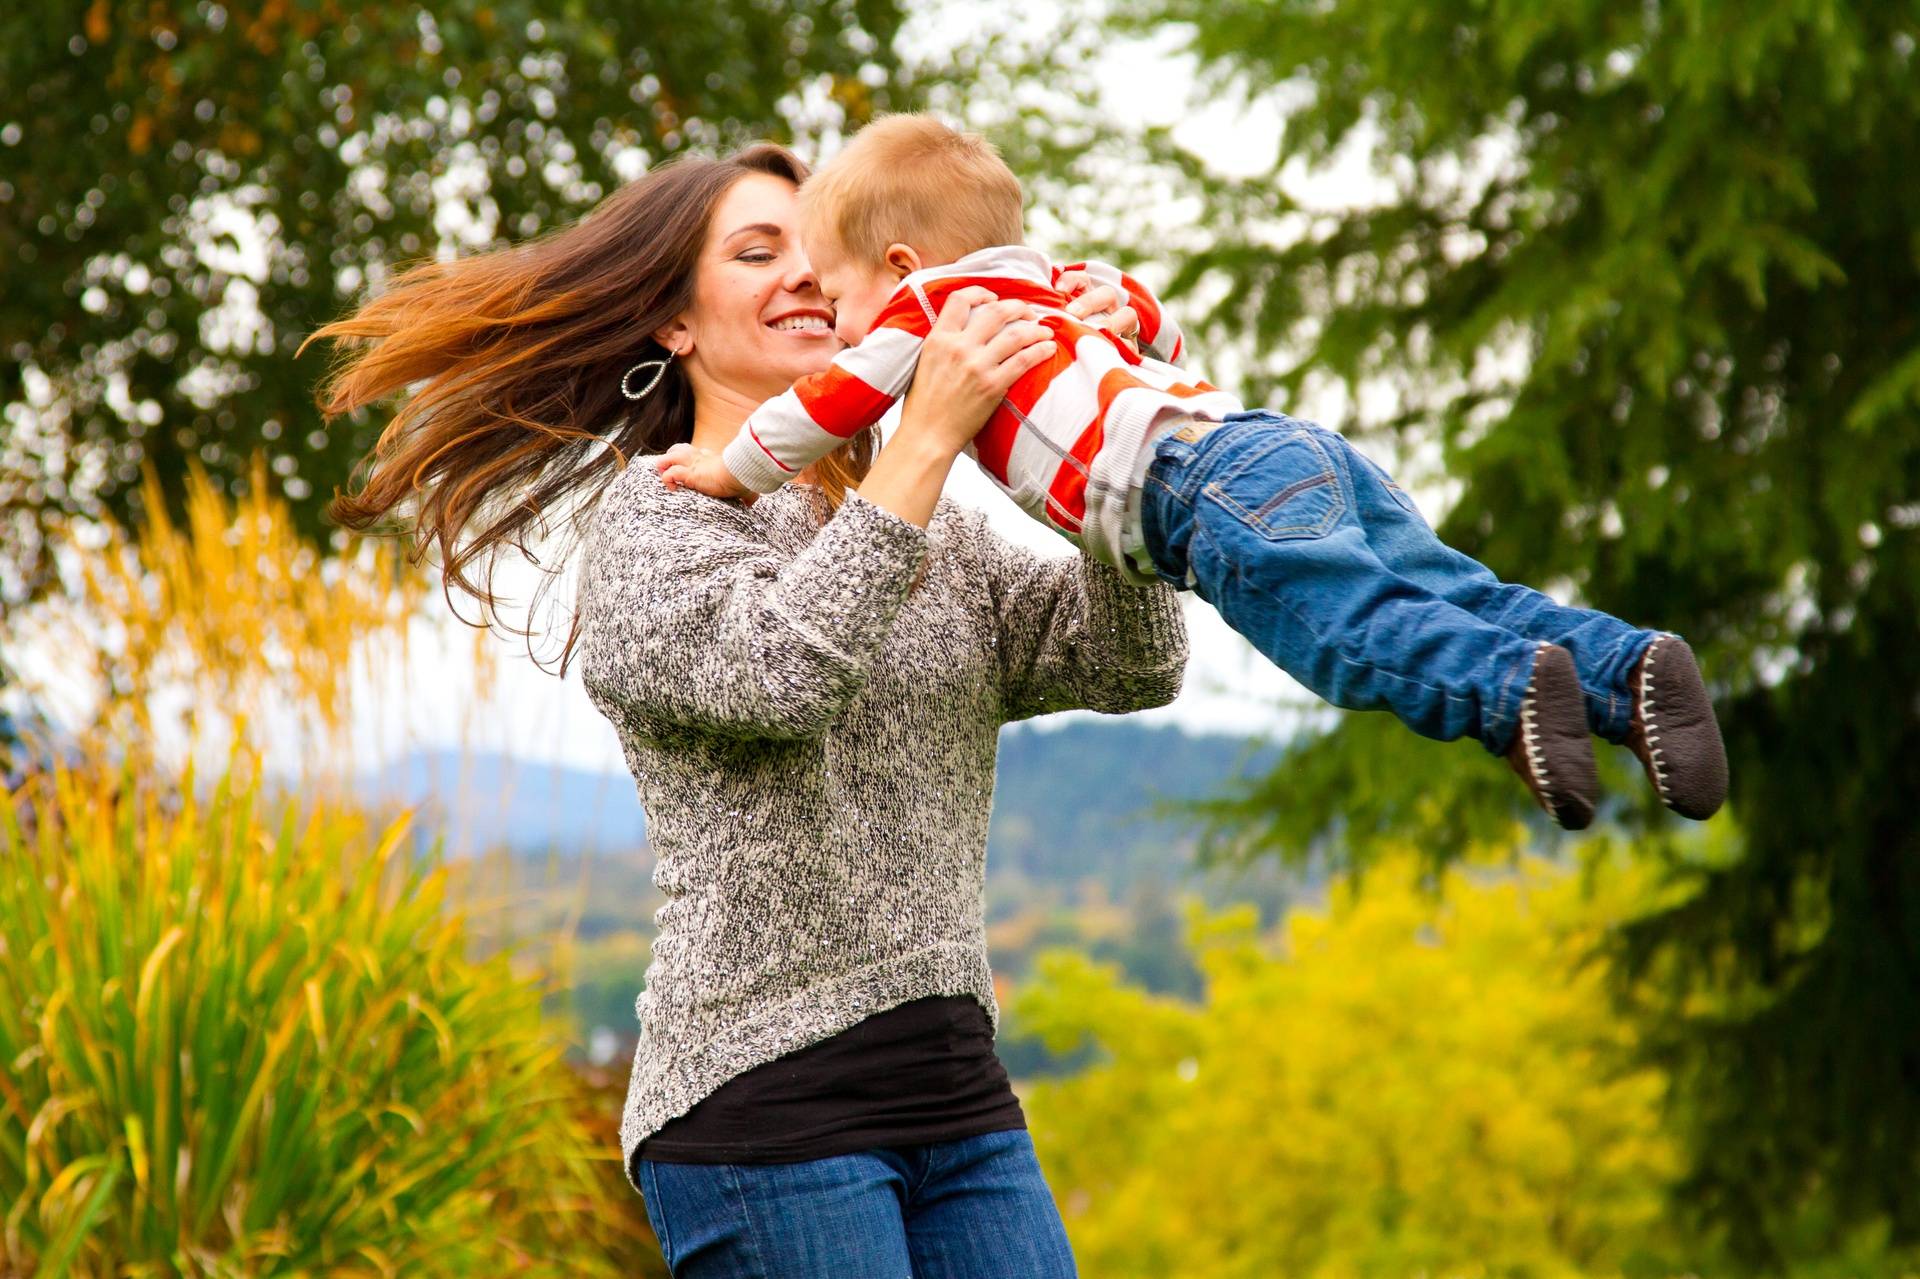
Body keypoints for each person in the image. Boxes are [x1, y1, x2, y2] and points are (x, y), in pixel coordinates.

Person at [304, 141, 1186, 1277]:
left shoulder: (934, 531)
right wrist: (920, 444)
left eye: (818, 253)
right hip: (763, 1110)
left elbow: (1132, 664)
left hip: (960, 1096)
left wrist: (1109, 435)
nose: (806, 278)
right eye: (758, 252)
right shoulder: (655, 523)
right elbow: (782, 677)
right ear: (676, 322)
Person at [657, 113, 1730, 832]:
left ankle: (1502, 691)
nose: (833, 317)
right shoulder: (1058, 279)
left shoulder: (928, 309)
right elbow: (1149, 319)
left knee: (1346, 628)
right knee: (1453, 584)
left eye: (832, 291)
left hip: (1192, 492)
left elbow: (828, 406)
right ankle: (1626, 669)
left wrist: (729, 473)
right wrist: (1130, 320)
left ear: (896, 270)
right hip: (1269, 441)